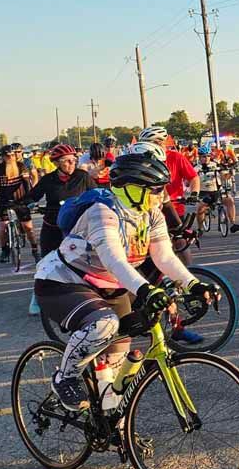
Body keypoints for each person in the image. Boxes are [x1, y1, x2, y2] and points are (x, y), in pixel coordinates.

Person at [33, 151, 217, 410]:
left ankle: (113, 426)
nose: (160, 196)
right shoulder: (103, 212)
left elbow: (164, 256)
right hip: (63, 282)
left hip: (110, 285)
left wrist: (192, 284)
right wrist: (146, 290)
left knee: (118, 367)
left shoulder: (150, 213)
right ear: (132, 189)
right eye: (155, 190)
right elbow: (114, 260)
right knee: (104, 325)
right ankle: (65, 377)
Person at [23, 144, 95, 256]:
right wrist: (29, 203)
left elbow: (96, 194)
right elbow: (32, 196)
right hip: (53, 224)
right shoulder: (48, 179)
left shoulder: (83, 176)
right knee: (47, 258)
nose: (72, 163)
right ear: (56, 163)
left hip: (78, 225)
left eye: (73, 160)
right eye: (66, 161)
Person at [0, 144, 38, 262]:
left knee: (28, 227)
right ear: (3, 157)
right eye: (7, 156)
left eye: (12, 155)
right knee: (3, 226)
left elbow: (26, 184)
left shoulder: (21, 167)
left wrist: (29, 200)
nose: (11, 158)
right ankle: (4, 250)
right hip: (4, 201)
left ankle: (35, 249)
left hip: (20, 199)